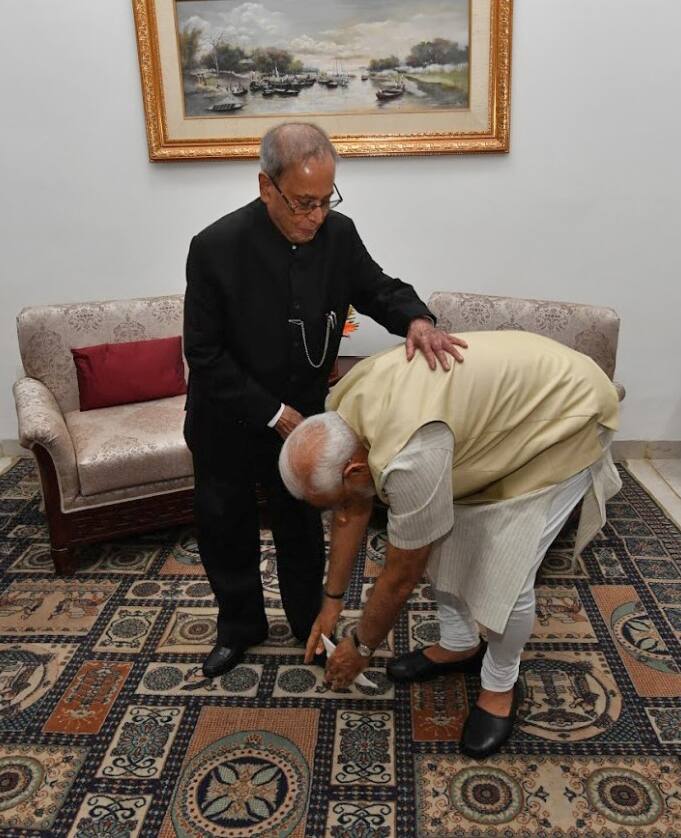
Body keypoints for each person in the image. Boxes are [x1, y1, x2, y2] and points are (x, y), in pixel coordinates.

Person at [183, 122, 466, 678]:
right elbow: (204, 354)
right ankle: (239, 627)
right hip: (229, 419)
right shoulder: (215, 248)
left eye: (325, 200)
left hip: (306, 420)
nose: (316, 216)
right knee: (226, 526)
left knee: (300, 530)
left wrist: (416, 319)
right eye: (303, 203)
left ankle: (310, 623)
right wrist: (274, 413)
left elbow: (378, 287)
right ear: (267, 187)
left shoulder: (339, 234)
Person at [278, 331, 621, 758]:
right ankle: (461, 643)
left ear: (352, 472)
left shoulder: (409, 458)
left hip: (565, 417)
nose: (338, 515)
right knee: (443, 538)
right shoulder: (341, 411)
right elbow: (355, 509)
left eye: (335, 503)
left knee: (508, 569)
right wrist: (331, 604)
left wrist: (361, 647)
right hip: (496, 419)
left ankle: (499, 683)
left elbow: (401, 577)